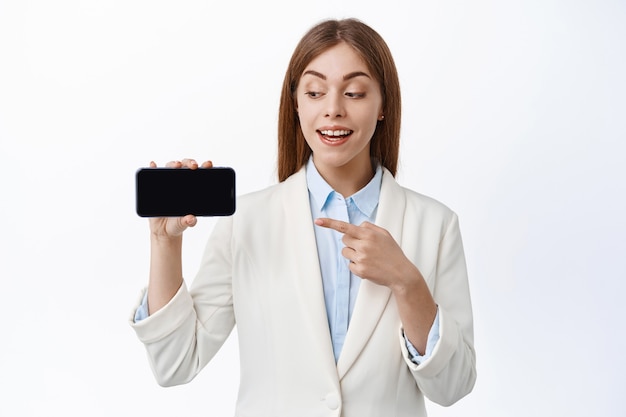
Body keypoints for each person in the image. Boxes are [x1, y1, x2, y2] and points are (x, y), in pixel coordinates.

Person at [130, 18, 476, 417]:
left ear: (383, 106)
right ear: (296, 103)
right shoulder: (247, 222)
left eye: (354, 92)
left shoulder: (435, 225)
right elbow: (175, 363)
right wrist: (164, 242)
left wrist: (406, 281)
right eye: (314, 92)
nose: (333, 109)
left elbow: (454, 386)